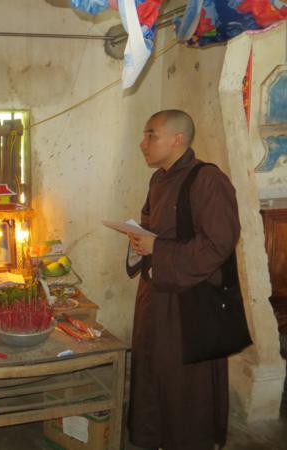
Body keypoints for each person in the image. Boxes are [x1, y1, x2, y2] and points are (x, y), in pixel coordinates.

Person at [126, 110, 240, 450]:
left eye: (151, 135)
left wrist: (158, 248)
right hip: (156, 294)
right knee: (152, 367)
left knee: (185, 382)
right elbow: (151, 227)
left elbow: (219, 243)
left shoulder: (207, 180)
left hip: (189, 302)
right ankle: (155, 437)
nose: (143, 143)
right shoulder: (158, 180)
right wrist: (138, 240)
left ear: (178, 139)